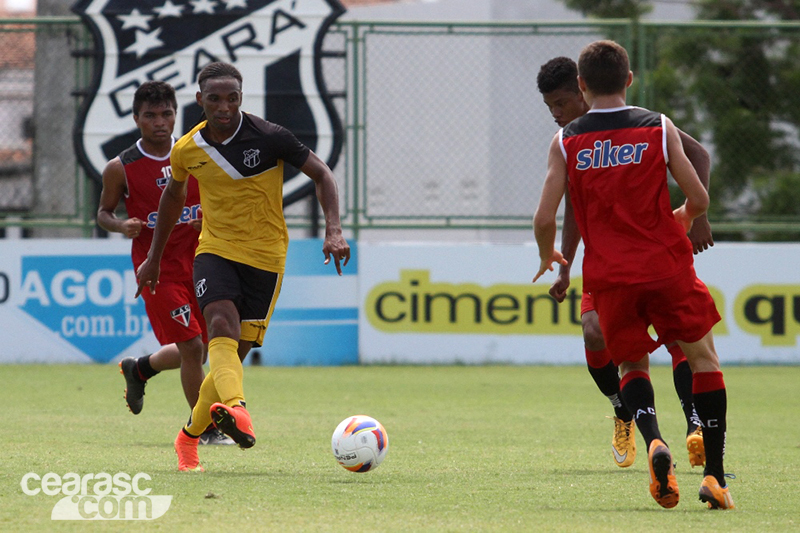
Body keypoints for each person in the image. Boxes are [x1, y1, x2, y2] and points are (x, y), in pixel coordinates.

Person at [533, 41, 734, 510]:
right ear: (629, 79)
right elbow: (699, 196)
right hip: (666, 264)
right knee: (702, 356)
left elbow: (545, 216)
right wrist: (687, 216)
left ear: (582, 85)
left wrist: (550, 256)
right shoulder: (657, 125)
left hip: (610, 276)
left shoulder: (567, 142)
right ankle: (715, 477)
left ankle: (655, 442)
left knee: (630, 364)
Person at [135, 62, 350, 472]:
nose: (223, 106)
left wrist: (334, 229)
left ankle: (187, 439)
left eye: (231, 97)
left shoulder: (270, 137)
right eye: (213, 98)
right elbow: (173, 199)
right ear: (199, 100)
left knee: (234, 353)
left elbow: (322, 173)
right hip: (214, 250)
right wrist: (154, 257)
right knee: (218, 325)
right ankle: (238, 411)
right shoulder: (187, 150)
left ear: (240, 97)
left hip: (267, 257)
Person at [98, 80, 233, 446]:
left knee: (202, 346)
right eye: (150, 116)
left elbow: (217, 200)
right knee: (192, 348)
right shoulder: (121, 167)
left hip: (203, 262)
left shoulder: (196, 153)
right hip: (156, 270)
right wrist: (121, 224)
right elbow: (103, 212)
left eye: (166, 114)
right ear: (135, 118)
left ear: (176, 115)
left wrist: (208, 218)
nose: (160, 122)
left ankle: (139, 368)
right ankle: (203, 428)